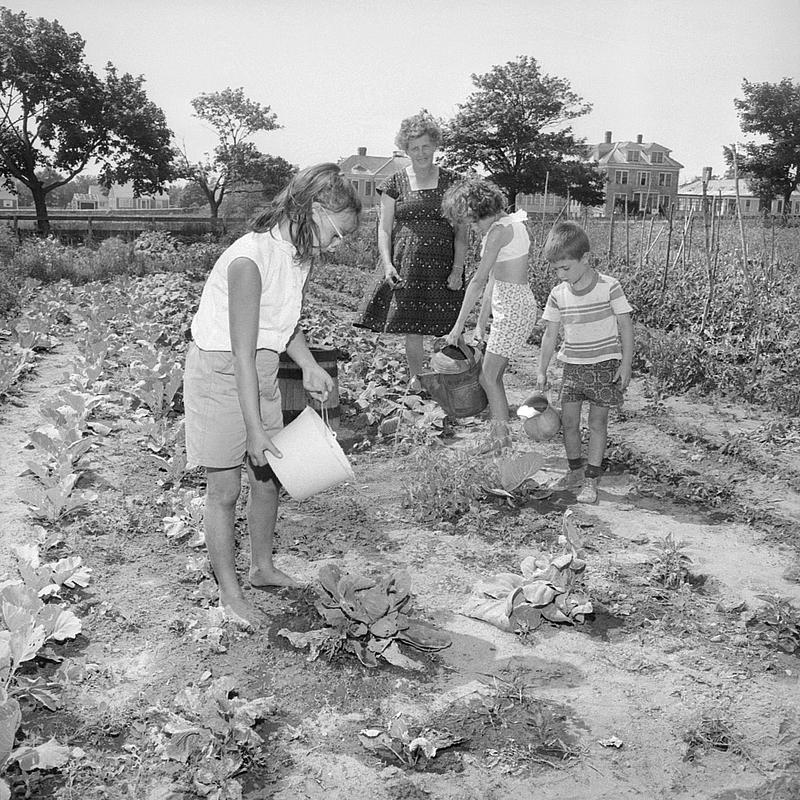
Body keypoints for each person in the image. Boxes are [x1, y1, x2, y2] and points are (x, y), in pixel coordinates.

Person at [183, 164, 361, 629]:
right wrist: (257, 428)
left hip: (258, 365)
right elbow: (240, 352)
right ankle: (230, 592)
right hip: (221, 368)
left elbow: (283, 322)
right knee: (225, 489)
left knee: (267, 475)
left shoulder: (299, 255)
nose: (338, 245)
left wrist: (308, 364)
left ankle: (261, 568)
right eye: (338, 234)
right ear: (315, 210)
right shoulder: (250, 259)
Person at [358, 111, 468, 386]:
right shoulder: (394, 183)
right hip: (407, 264)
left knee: (452, 325)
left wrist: (457, 269)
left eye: (426, 146)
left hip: (444, 266)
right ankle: (417, 381)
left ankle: (460, 383)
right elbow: (384, 228)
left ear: (435, 146)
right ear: (405, 149)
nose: (420, 153)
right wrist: (387, 264)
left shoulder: (453, 182)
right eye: (414, 148)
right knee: (413, 327)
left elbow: (462, 231)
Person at [536, 221, 634, 504]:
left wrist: (625, 364)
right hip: (572, 367)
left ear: (585, 259)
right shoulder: (558, 294)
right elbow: (550, 334)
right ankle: (576, 471)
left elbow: (625, 325)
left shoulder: (609, 287)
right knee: (568, 422)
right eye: (556, 269)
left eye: (565, 268)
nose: (561, 274)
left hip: (604, 365)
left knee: (597, 422)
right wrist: (542, 368)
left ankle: (592, 479)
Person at [442, 177, 537, 453]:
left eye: (471, 222)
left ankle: (501, 442)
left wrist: (458, 326)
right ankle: (500, 438)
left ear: (479, 210)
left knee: (488, 377)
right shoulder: (509, 225)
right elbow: (495, 281)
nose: (472, 228)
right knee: (492, 376)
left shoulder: (498, 232)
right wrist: (480, 324)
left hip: (513, 308)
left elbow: (479, 281)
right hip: (510, 306)